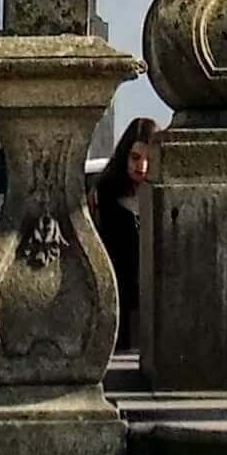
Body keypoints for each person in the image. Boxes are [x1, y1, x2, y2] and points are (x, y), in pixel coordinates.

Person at [93, 117, 156, 357]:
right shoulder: (104, 196)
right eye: (136, 158)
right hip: (117, 298)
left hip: (153, 298)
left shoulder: (163, 196)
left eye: (148, 158)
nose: (141, 166)